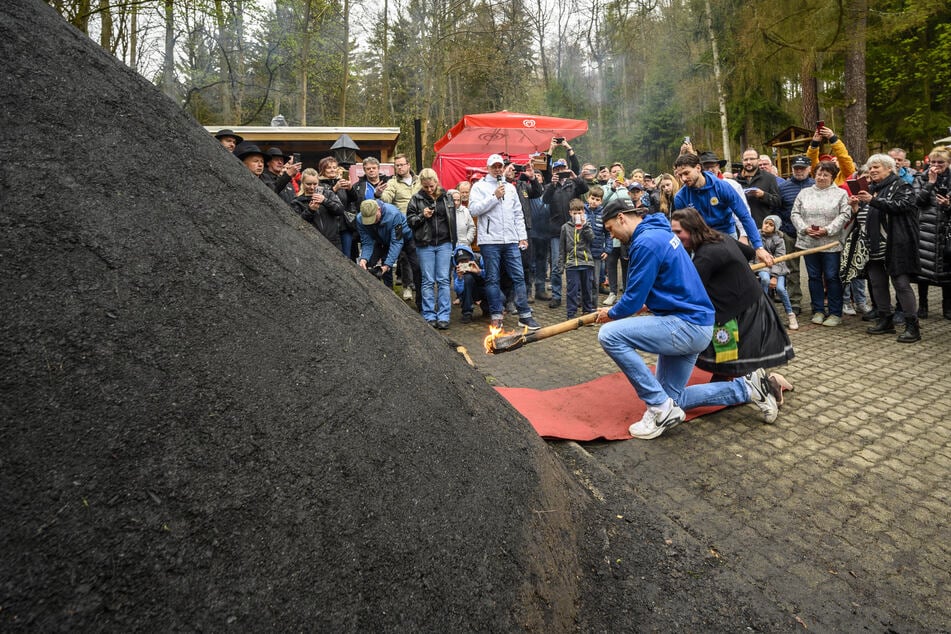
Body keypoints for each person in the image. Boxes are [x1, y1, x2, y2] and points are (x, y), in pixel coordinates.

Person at [594, 200, 781, 439]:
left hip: (686, 325)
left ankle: (660, 409)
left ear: (621, 217)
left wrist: (610, 314)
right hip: (693, 323)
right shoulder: (659, 233)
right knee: (674, 398)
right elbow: (666, 286)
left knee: (610, 335)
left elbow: (630, 300)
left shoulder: (646, 242)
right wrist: (646, 305)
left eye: (611, 229)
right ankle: (747, 389)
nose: (614, 237)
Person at [669, 208, 794, 384]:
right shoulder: (719, 236)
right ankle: (755, 382)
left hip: (742, 307)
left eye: (678, 232)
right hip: (744, 301)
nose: (674, 237)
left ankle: (766, 385)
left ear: (692, 229)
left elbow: (689, 290)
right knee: (733, 358)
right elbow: (749, 253)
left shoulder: (707, 254)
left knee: (735, 358)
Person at [849, 153, 920, 342]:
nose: (872, 170)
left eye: (876, 167)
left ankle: (912, 326)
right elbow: (865, 217)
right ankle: (885, 320)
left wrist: (872, 200)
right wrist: (856, 207)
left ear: (889, 169)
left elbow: (902, 205)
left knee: (901, 285)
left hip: (896, 244)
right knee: (877, 283)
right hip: (873, 246)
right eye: (870, 167)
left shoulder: (901, 185)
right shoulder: (871, 188)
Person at [468, 154, 541, 330]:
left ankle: (524, 315)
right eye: (494, 166)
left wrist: (521, 236)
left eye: (500, 166)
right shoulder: (479, 187)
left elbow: (518, 213)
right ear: (488, 168)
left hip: (511, 240)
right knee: (492, 278)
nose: (498, 169)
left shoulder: (510, 188)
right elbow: (473, 209)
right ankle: (496, 315)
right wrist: (494, 197)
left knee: (518, 276)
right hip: (490, 241)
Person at [672, 153, 773, 267]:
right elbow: (684, 230)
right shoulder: (680, 197)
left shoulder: (722, 187)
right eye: (680, 175)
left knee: (734, 271)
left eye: (686, 173)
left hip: (727, 234)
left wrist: (758, 247)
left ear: (698, 168)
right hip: (701, 240)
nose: (683, 179)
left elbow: (744, 216)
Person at [790, 160, 852, 326]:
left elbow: (845, 215)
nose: (821, 177)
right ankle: (817, 310)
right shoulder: (804, 193)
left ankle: (835, 313)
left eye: (826, 174)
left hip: (831, 244)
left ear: (833, 177)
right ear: (814, 174)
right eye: (819, 174)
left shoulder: (840, 194)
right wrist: (804, 228)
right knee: (814, 277)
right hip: (809, 242)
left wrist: (828, 229)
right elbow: (795, 213)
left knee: (832, 277)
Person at [406, 168, 457, 329]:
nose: (429, 189)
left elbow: (452, 221)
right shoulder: (416, 199)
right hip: (424, 244)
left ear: (436, 182)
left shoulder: (447, 197)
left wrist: (454, 241)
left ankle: (443, 315)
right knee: (427, 281)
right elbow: (410, 221)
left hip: (444, 243)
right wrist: (422, 215)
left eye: (432, 186)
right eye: (426, 186)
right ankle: (428, 314)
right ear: (422, 184)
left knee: (443, 279)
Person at [542, 143, 588, 309]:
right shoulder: (550, 186)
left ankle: (578, 295)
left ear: (567, 169)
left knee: (576, 263)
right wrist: (552, 184)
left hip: (574, 229)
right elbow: (545, 200)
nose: (560, 171)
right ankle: (556, 295)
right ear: (553, 171)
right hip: (556, 231)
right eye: (557, 169)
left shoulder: (573, 184)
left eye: (563, 168)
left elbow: (585, 188)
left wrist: (576, 177)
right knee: (556, 265)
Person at [356, 198, 421, 304]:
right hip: (381, 240)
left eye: (374, 218)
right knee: (372, 264)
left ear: (379, 209)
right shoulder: (360, 219)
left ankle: (421, 303)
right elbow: (367, 242)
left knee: (416, 267)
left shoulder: (393, 214)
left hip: (405, 239)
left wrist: (387, 265)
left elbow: (396, 242)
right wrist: (364, 259)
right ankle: (387, 297)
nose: (372, 222)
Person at [914, 146, 951, 319]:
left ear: (948, 163)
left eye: (941, 162)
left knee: (948, 272)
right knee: (924, 271)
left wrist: (948, 205)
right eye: (933, 162)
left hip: (947, 231)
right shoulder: (921, 178)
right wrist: (930, 183)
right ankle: (923, 305)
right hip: (926, 229)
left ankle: (947, 307)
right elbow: (917, 202)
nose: (936, 165)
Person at [757, 215, 797, 330]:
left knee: (780, 288)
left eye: (771, 225)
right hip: (762, 266)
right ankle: (763, 310)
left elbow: (780, 259)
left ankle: (790, 314)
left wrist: (774, 276)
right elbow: (753, 255)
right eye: (766, 223)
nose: (767, 226)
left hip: (778, 268)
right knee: (764, 279)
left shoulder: (779, 240)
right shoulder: (756, 236)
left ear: (776, 228)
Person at [291, 168, 345, 249]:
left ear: (318, 183)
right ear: (302, 183)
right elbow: (297, 224)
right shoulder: (297, 201)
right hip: (312, 243)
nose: (312, 187)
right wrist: (310, 210)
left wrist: (325, 201)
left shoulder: (328, 194)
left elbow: (340, 210)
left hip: (333, 241)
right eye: (308, 184)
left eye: (315, 184)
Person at [560, 198, 595, 319]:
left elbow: (591, 238)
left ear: (583, 212)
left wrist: (584, 225)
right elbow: (562, 248)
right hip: (571, 264)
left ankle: (587, 312)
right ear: (570, 213)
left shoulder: (587, 224)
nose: (577, 215)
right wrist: (561, 265)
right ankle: (571, 314)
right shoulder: (565, 227)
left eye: (580, 212)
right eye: (575, 213)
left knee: (587, 289)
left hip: (586, 262)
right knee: (572, 290)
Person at [316, 157, 356, 259]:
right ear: (322, 169)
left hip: (344, 224)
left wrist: (350, 188)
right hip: (329, 225)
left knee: (347, 256)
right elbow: (320, 203)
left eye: (334, 167)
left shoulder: (341, 181)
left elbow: (354, 199)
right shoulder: (318, 184)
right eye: (329, 167)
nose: (332, 169)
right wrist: (335, 189)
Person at [735, 147, 783, 226]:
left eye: (752, 159)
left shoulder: (769, 178)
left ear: (758, 160)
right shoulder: (736, 180)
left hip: (762, 227)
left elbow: (777, 202)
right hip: (741, 227)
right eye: (745, 160)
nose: (748, 162)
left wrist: (763, 195)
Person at [585, 186, 609, 299]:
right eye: (592, 198)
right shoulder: (581, 212)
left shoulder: (604, 214)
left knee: (595, 279)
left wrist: (607, 250)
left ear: (601, 201)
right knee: (584, 278)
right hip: (583, 252)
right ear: (587, 198)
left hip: (597, 252)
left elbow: (608, 233)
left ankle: (593, 303)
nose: (594, 201)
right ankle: (583, 299)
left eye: (597, 199)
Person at [452, 246, 486, 323]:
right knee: (467, 278)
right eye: (461, 261)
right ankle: (467, 313)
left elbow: (491, 276)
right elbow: (458, 291)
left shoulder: (479, 259)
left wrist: (479, 271)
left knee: (500, 298)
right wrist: (460, 278)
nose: (464, 263)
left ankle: (488, 308)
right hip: (470, 291)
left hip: (483, 288)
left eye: (466, 260)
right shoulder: (457, 269)